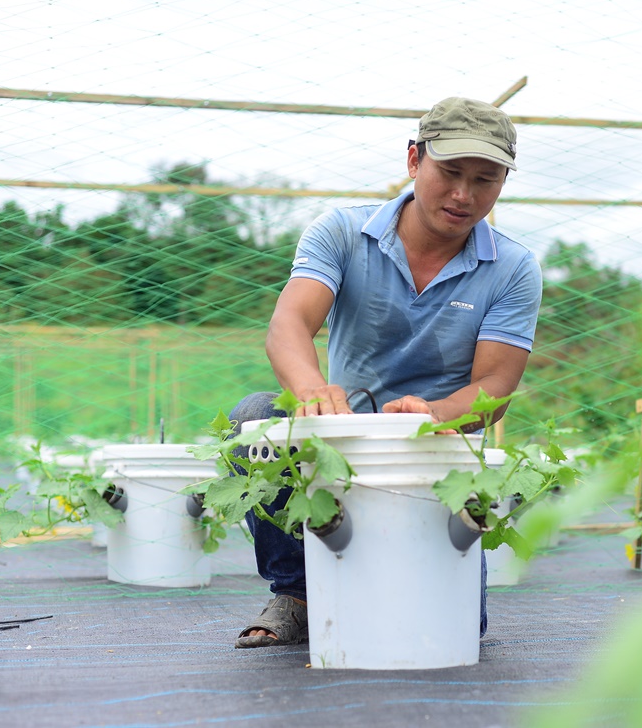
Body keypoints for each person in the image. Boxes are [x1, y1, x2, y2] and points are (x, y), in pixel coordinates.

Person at [231, 97, 543, 648]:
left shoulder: (513, 268)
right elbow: (289, 324)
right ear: (413, 160)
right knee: (256, 418)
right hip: (340, 437)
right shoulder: (343, 234)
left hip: (433, 450)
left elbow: (495, 387)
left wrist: (436, 413)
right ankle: (298, 592)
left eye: (485, 179)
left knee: (455, 626)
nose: (464, 195)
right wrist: (310, 390)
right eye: (450, 173)